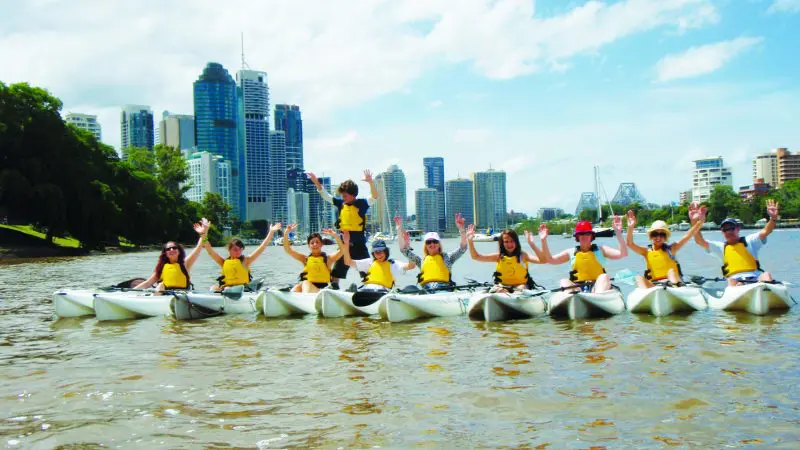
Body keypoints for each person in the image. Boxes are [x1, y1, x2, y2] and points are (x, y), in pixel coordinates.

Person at [307, 170, 378, 289]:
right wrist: (316, 183)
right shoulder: (341, 204)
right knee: (337, 271)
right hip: (344, 244)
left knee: (367, 270)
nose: (342, 197)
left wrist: (370, 182)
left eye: (345, 195)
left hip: (359, 243)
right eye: (342, 195)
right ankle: (335, 289)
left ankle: (372, 289)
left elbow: (374, 196)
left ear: (353, 195)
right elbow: (326, 196)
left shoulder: (362, 203)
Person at [690, 199, 779, 286]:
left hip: (756, 279)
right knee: (732, 281)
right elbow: (699, 241)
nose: (728, 232)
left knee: (766, 275)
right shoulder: (720, 247)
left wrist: (773, 218)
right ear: (722, 232)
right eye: (725, 229)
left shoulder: (750, 241)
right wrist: (694, 222)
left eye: (731, 228)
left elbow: (766, 231)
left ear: (738, 228)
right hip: (734, 281)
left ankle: (767, 292)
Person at [539, 217, 628, 293]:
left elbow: (622, 254)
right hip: (578, 289)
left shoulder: (601, 250)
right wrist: (543, 241)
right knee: (564, 281)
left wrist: (618, 232)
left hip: (598, 287)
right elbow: (550, 260)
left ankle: (597, 298)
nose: (584, 236)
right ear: (577, 237)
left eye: (587, 234)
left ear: (591, 236)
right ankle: (571, 300)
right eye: (581, 234)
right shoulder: (571, 252)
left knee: (604, 277)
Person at [625, 208, 706, 288]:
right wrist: (630, 227)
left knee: (671, 272)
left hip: (672, 284)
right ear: (651, 236)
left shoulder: (671, 249)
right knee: (638, 278)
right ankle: (645, 296)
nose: (658, 238)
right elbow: (630, 244)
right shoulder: (645, 251)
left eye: (662, 235)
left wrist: (700, 222)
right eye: (655, 234)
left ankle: (676, 287)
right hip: (655, 286)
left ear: (666, 237)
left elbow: (688, 235)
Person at [396, 214, 468, 291]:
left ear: (439, 244)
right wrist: (399, 229)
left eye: (435, 241)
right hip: (426, 291)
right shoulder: (420, 261)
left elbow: (462, 248)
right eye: (429, 242)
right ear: (426, 245)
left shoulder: (448, 257)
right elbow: (403, 250)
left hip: (444, 289)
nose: (432, 244)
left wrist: (461, 230)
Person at [134, 219, 210, 292]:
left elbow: (199, 246)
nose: (171, 250)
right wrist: (131, 292)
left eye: (174, 248)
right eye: (168, 249)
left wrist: (204, 232)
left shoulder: (186, 263)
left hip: (183, 295)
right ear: (165, 253)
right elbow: (148, 283)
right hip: (164, 295)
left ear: (179, 251)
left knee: (161, 286)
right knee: (160, 285)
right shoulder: (161, 267)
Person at [467, 224, 546, 293]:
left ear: (516, 242)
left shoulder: (523, 255)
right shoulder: (498, 256)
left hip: (520, 287)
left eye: (512, 241)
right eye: (506, 241)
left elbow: (543, 260)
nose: (509, 244)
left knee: (521, 288)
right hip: (502, 287)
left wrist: (531, 243)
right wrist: (470, 241)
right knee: (500, 290)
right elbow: (476, 257)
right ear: (502, 243)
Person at [203, 222, 282, 291]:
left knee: (227, 289)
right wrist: (205, 232)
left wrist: (271, 232)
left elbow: (262, 247)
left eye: (240, 249)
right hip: (227, 289)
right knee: (213, 288)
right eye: (235, 249)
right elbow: (209, 250)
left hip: (242, 289)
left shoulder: (246, 261)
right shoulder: (223, 262)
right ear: (229, 250)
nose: (238, 251)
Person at [340, 233, 415, 292]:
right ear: (373, 254)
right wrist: (346, 243)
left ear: (386, 251)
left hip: (383, 292)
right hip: (366, 290)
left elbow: (411, 266)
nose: (379, 255)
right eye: (376, 252)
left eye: (381, 251)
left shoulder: (394, 264)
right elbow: (348, 262)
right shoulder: (369, 263)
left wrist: (408, 248)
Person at [282, 224, 346, 293]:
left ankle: (303, 298)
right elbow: (288, 250)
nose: (315, 244)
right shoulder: (304, 259)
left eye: (317, 242)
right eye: (312, 243)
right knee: (297, 287)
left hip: (322, 290)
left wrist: (335, 235)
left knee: (305, 283)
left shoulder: (328, 259)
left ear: (322, 244)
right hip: (307, 289)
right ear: (309, 246)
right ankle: (292, 294)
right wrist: (286, 233)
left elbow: (342, 250)